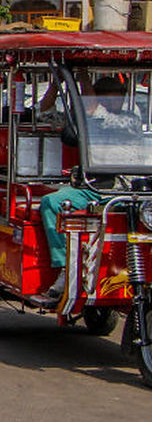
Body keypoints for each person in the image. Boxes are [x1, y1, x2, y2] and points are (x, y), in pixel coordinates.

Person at [39, 76, 140, 298]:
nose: (117, 103)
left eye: (119, 99)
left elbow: (94, 110)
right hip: (92, 186)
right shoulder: (84, 119)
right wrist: (56, 85)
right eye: (110, 99)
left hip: (124, 188)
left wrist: (82, 77)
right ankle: (65, 267)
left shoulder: (129, 119)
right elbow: (44, 112)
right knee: (51, 202)